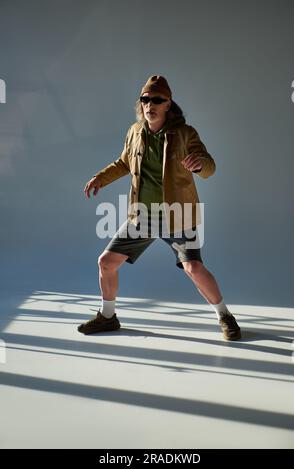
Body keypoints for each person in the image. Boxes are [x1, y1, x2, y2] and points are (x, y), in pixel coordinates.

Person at [78, 75, 241, 341]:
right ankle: (108, 317)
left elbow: (209, 165)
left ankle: (225, 316)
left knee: (194, 268)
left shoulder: (185, 133)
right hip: (141, 215)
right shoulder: (134, 132)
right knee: (106, 263)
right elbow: (123, 163)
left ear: (168, 104)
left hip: (178, 214)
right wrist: (100, 178)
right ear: (140, 103)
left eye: (157, 100)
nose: (150, 104)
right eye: (145, 99)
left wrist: (199, 163)